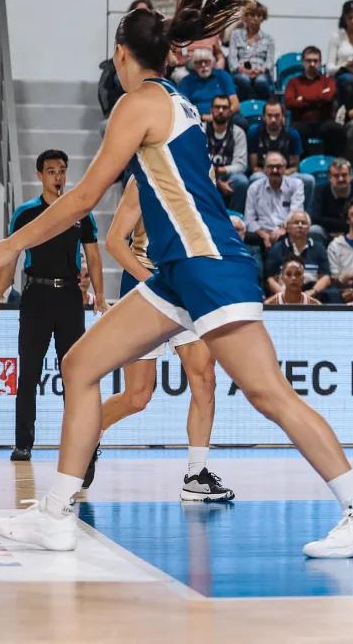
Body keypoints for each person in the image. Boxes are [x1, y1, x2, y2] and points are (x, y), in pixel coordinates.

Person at [0, 0, 353, 558]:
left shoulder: (138, 102)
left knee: (268, 393)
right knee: (82, 364)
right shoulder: (174, 98)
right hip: (179, 271)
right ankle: (57, 513)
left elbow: (87, 196)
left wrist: (10, 243)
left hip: (208, 266)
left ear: (121, 54)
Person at [92, 175, 232, 499]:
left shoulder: (201, 172)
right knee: (137, 396)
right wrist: (154, 283)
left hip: (185, 285)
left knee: (205, 378)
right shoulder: (142, 180)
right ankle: (89, 434)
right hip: (146, 286)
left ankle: (196, 476)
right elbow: (114, 241)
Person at [0, 149, 105, 462]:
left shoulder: (80, 211)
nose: (58, 176)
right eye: (51, 171)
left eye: (62, 170)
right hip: (36, 297)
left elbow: (93, 256)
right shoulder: (25, 213)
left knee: (75, 375)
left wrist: (100, 296)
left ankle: (79, 443)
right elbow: (9, 256)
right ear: (40, 175)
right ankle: (23, 443)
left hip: (68, 298)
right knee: (29, 374)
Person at [247, 97, 315, 211]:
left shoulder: (292, 135)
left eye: (277, 115)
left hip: (287, 174)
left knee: (308, 180)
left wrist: (280, 173)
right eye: (269, 115)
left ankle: (304, 217)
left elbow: (294, 167)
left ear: (283, 117)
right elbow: (254, 167)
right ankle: (260, 213)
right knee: (255, 178)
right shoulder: (254, 134)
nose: (273, 119)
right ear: (263, 117)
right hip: (264, 174)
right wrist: (272, 173)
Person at [284, 45, 342, 157]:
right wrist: (319, 99)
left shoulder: (328, 81)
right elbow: (289, 103)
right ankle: (300, 166)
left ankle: (333, 163)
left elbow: (329, 97)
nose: (312, 64)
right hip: (301, 121)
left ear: (320, 63)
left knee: (336, 129)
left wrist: (303, 98)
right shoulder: (294, 82)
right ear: (302, 62)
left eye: (315, 61)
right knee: (294, 132)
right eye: (308, 61)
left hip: (323, 121)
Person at [263, 210, 330, 300]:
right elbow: (270, 279)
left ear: (309, 227)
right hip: (284, 296)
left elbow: (325, 277)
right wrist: (285, 295)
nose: (300, 225)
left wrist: (312, 292)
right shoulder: (277, 249)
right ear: (287, 227)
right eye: (296, 223)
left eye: (304, 223)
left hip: (312, 294)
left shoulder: (319, 248)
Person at [244, 151, 304, 251]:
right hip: (260, 233)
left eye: (279, 166)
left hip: (287, 232)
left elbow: (296, 213)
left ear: (285, 168)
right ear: (264, 169)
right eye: (271, 167)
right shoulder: (254, 188)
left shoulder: (296, 185)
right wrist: (263, 235)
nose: (275, 170)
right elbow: (249, 219)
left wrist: (283, 229)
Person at [205, 95, 249, 213]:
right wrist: (218, 182)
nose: (220, 111)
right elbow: (195, 163)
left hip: (228, 176)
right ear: (211, 110)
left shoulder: (238, 133)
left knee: (241, 181)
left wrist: (219, 171)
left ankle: (236, 218)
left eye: (224, 108)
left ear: (230, 111)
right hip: (206, 175)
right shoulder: (201, 130)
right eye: (217, 107)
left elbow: (241, 165)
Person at [313, 157, 353, 240]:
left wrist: (334, 223)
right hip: (329, 234)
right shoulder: (320, 190)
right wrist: (350, 222)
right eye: (336, 176)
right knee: (314, 230)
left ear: (351, 176)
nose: (340, 179)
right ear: (330, 177)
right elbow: (316, 219)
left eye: (344, 175)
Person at [228, 1, 275, 101]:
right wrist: (243, 70)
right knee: (243, 80)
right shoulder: (236, 34)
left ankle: (265, 108)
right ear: (245, 17)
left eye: (259, 15)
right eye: (252, 15)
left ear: (263, 18)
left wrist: (260, 70)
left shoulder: (268, 39)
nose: (255, 18)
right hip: (241, 72)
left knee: (261, 81)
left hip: (260, 72)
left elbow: (270, 62)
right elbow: (232, 59)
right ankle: (242, 108)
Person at [177, 48, 238, 121]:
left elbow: (235, 103)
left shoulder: (222, 75)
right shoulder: (186, 81)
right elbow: (182, 107)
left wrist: (223, 116)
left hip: (224, 117)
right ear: (194, 65)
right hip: (197, 119)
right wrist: (203, 117)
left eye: (206, 62)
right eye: (199, 62)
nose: (203, 65)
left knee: (240, 122)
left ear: (212, 63)